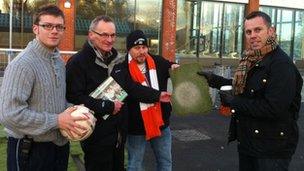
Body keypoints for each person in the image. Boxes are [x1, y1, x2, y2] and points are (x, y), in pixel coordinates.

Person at [198, 11, 302, 170]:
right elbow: (248, 90)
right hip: (249, 142)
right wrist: (216, 81)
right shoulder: (251, 59)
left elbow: (273, 108)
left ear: (271, 31)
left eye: (258, 30)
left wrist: (234, 101)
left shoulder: (281, 65)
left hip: (272, 148)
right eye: (248, 32)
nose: (252, 35)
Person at [66, 16, 171, 171]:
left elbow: (131, 87)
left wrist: (157, 95)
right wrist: (106, 106)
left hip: (119, 134)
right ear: (91, 35)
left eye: (113, 35)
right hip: (96, 136)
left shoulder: (118, 61)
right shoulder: (77, 62)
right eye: (104, 35)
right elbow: (73, 96)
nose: (109, 39)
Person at [0, 4, 86, 171]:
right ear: (36, 29)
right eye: (47, 26)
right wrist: (57, 120)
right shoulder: (22, 65)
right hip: (29, 149)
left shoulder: (60, 63)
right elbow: (9, 114)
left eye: (59, 27)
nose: (54, 30)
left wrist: (76, 112)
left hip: (59, 148)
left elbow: (57, 103)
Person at [125, 30, 179, 171]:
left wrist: (174, 66)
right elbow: (132, 90)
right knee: (135, 165)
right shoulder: (122, 68)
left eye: (144, 47)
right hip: (136, 126)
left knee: (165, 163)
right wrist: (157, 95)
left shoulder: (158, 61)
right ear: (129, 49)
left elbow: (170, 65)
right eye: (137, 48)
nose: (141, 51)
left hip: (160, 122)